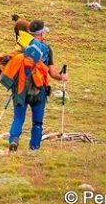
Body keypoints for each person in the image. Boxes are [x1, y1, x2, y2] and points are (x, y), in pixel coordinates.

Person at [8, 19, 68, 152]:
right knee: (37, 122)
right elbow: (52, 73)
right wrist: (62, 77)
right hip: (38, 89)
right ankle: (34, 149)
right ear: (41, 34)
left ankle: (13, 140)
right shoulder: (46, 49)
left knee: (18, 117)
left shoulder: (21, 45)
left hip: (20, 88)